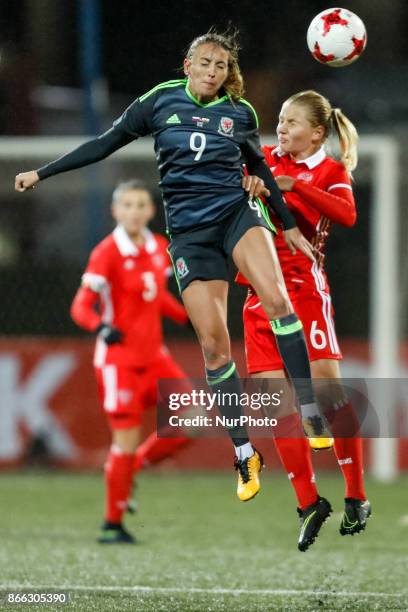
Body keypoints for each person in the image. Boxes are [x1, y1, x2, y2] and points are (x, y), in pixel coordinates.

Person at [15, 30, 328, 503]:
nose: (212, 71)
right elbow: (104, 143)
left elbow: (260, 171)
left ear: (227, 74)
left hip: (235, 216)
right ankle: (244, 453)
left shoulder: (239, 113)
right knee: (215, 348)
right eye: (205, 62)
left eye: (220, 66)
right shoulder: (159, 102)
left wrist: (287, 227)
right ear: (188, 64)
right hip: (189, 235)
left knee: (278, 299)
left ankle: (310, 408)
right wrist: (42, 172)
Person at [239, 90, 371, 551]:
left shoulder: (330, 172)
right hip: (259, 295)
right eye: (279, 119)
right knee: (276, 405)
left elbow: (348, 215)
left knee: (330, 396)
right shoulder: (262, 159)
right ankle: (308, 502)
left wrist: (294, 187)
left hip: (303, 295)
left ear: (317, 132)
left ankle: (356, 494)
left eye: (292, 122)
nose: (281, 128)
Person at [70, 179, 191, 543]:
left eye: (141, 205)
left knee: (196, 418)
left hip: (155, 357)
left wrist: (192, 317)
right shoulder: (106, 252)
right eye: (127, 206)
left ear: (151, 211)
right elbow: (79, 306)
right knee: (124, 440)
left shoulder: (158, 246)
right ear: (115, 211)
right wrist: (100, 327)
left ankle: (132, 467)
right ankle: (112, 525)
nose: (134, 212)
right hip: (119, 361)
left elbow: (158, 297)